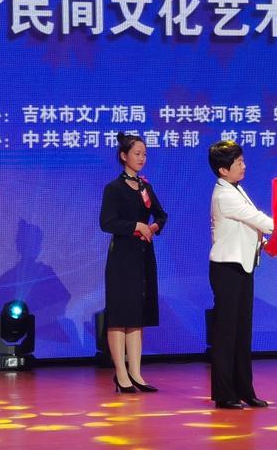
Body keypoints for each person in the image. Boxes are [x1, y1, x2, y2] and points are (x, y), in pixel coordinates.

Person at [99, 132, 168, 394]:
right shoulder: (114, 188)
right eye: (137, 153)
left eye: (145, 154)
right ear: (123, 156)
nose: (142, 158)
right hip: (121, 258)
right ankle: (121, 373)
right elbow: (107, 222)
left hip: (142, 255)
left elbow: (161, 215)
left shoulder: (144, 187)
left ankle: (136, 373)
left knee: (136, 316)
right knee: (119, 316)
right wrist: (136, 226)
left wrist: (153, 226)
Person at [207, 140, 274, 409]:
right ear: (223, 170)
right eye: (239, 163)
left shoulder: (235, 188)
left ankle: (244, 389)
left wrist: (263, 242)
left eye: (242, 161)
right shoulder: (224, 195)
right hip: (227, 268)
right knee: (226, 334)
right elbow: (258, 219)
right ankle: (225, 394)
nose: (244, 166)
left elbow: (246, 226)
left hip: (242, 266)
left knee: (242, 332)